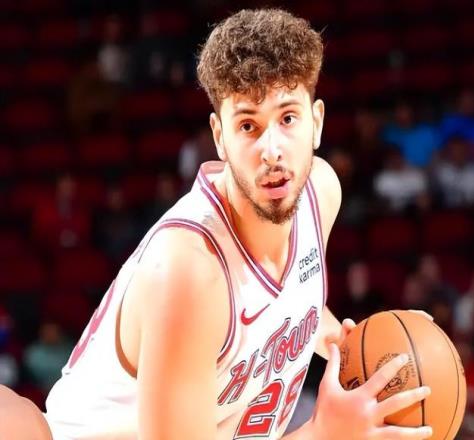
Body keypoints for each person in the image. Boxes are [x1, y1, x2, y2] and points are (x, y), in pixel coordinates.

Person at [0, 9, 432, 440]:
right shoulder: (190, 271)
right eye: (248, 125)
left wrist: (354, 344)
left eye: (287, 118)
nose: (272, 150)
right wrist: (323, 433)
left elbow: (284, 300)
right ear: (219, 137)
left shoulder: (320, 191)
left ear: (316, 122)